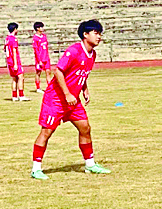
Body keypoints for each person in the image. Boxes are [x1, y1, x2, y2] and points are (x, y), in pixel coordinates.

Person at [30, 19, 111, 180]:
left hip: (73, 101)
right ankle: (36, 169)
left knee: (85, 128)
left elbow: (81, 73)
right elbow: (58, 71)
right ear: (85, 34)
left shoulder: (92, 54)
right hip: (56, 99)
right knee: (46, 132)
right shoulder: (74, 51)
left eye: (100, 34)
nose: (99, 37)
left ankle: (90, 165)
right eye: (96, 33)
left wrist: (84, 89)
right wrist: (67, 94)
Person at [5, 23, 27, 102]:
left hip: (9, 61)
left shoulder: (7, 38)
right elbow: (14, 51)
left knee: (14, 78)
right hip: (14, 61)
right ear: (15, 29)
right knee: (21, 77)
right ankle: (21, 95)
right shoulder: (13, 39)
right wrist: (15, 63)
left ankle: (14, 96)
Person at [32, 21, 52, 93]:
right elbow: (36, 50)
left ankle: (49, 88)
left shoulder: (44, 36)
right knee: (38, 73)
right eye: (41, 27)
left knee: (48, 72)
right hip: (40, 59)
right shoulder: (35, 38)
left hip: (46, 57)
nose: (42, 28)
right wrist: (39, 60)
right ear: (37, 28)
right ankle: (38, 88)